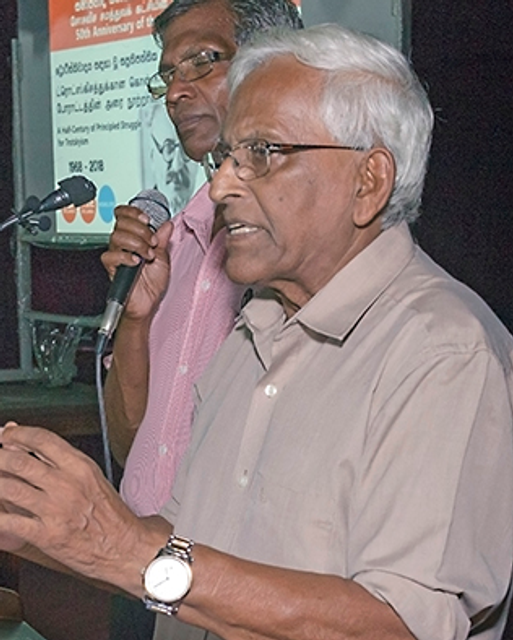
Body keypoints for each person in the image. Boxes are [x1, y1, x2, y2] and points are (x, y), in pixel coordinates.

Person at [1, 23, 513, 640]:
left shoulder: (443, 354)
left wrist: (123, 549)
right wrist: (43, 522)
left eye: (262, 153)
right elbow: (183, 541)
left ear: (369, 181)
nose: (221, 185)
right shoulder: (253, 333)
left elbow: (398, 623)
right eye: (226, 157)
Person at [101, 0, 303, 519]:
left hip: (225, 566)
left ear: (273, 63)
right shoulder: (175, 242)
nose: (175, 92)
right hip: (138, 554)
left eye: (202, 61)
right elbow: (129, 447)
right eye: (168, 74)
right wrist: (136, 320)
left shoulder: (307, 250)